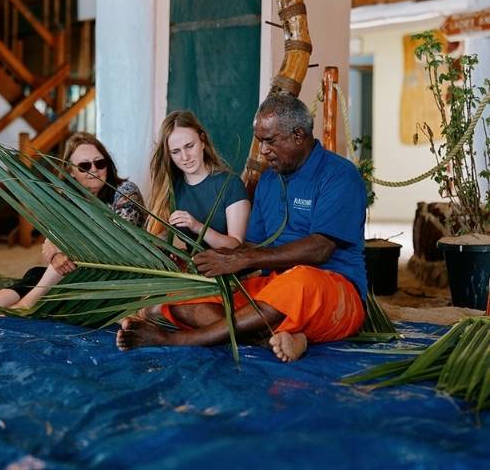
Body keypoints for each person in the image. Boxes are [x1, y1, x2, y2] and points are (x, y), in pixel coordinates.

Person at [117, 93, 368, 362]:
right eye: (260, 142)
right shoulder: (270, 181)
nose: (263, 151)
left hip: (331, 287)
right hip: (275, 287)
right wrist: (216, 264)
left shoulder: (339, 174)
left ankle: (177, 339)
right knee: (185, 298)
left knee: (299, 282)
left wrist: (243, 257)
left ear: (297, 135)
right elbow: (254, 246)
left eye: (269, 141)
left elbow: (321, 249)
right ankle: (279, 338)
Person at [0, 132, 145, 322]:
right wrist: (55, 255)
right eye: (84, 166)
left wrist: (62, 250)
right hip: (85, 271)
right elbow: (51, 239)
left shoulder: (125, 190)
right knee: (35, 274)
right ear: (71, 172)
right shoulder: (68, 199)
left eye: (100, 162)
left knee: (63, 257)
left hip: (121, 272)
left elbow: (118, 240)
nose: (94, 170)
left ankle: (27, 303)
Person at [147, 110, 250, 250]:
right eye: (175, 151)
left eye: (189, 146)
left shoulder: (231, 184)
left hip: (228, 269)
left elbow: (236, 245)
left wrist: (197, 226)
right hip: (190, 269)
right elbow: (159, 238)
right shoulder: (170, 188)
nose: (185, 157)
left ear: (203, 141)